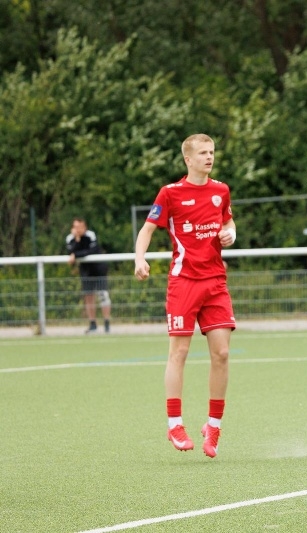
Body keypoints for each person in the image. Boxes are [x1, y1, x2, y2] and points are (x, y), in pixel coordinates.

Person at [134, 133, 237, 458]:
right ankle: (175, 424)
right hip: (184, 283)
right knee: (179, 352)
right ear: (188, 159)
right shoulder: (171, 193)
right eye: (203, 153)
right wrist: (140, 258)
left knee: (222, 353)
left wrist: (231, 233)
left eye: (212, 152)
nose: (209, 157)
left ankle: (214, 425)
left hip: (215, 282)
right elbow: (147, 229)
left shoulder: (221, 190)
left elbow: (229, 222)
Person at [66, 218, 111, 334]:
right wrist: (77, 240)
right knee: (89, 297)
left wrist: (76, 255)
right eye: (76, 227)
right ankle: (92, 324)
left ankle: (106, 323)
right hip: (86, 271)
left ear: (84, 227)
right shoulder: (70, 238)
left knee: (103, 295)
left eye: (80, 227)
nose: (78, 229)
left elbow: (91, 251)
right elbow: (70, 252)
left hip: (98, 269)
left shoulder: (91, 235)